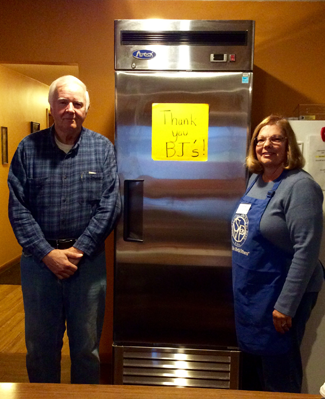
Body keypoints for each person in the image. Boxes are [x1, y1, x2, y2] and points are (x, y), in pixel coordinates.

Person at [7, 75, 120, 384]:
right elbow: (18, 208)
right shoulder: (27, 149)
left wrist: (78, 249)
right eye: (63, 102)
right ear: (52, 107)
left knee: (86, 350)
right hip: (38, 265)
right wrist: (48, 254)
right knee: (40, 350)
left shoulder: (103, 148)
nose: (70, 109)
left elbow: (110, 204)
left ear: (87, 108)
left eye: (77, 103)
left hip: (88, 265)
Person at [231, 115, 323, 392]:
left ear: (288, 145)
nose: (266, 145)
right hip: (253, 292)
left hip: (281, 293)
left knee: (279, 375)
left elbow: (306, 249)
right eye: (260, 139)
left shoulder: (300, 186)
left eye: (275, 138)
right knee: (255, 372)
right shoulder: (256, 180)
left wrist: (286, 305)